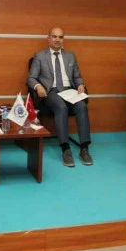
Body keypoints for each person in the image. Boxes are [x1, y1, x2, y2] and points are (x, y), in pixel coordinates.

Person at [28, 27, 93, 167]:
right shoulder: (40, 56)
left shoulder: (70, 56)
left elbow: (77, 77)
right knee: (61, 107)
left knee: (82, 106)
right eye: (54, 36)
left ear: (63, 39)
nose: (57, 39)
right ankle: (65, 149)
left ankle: (84, 148)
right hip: (51, 92)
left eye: (60, 37)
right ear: (48, 38)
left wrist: (80, 85)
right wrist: (38, 86)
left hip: (69, 91)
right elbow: (31, 78)